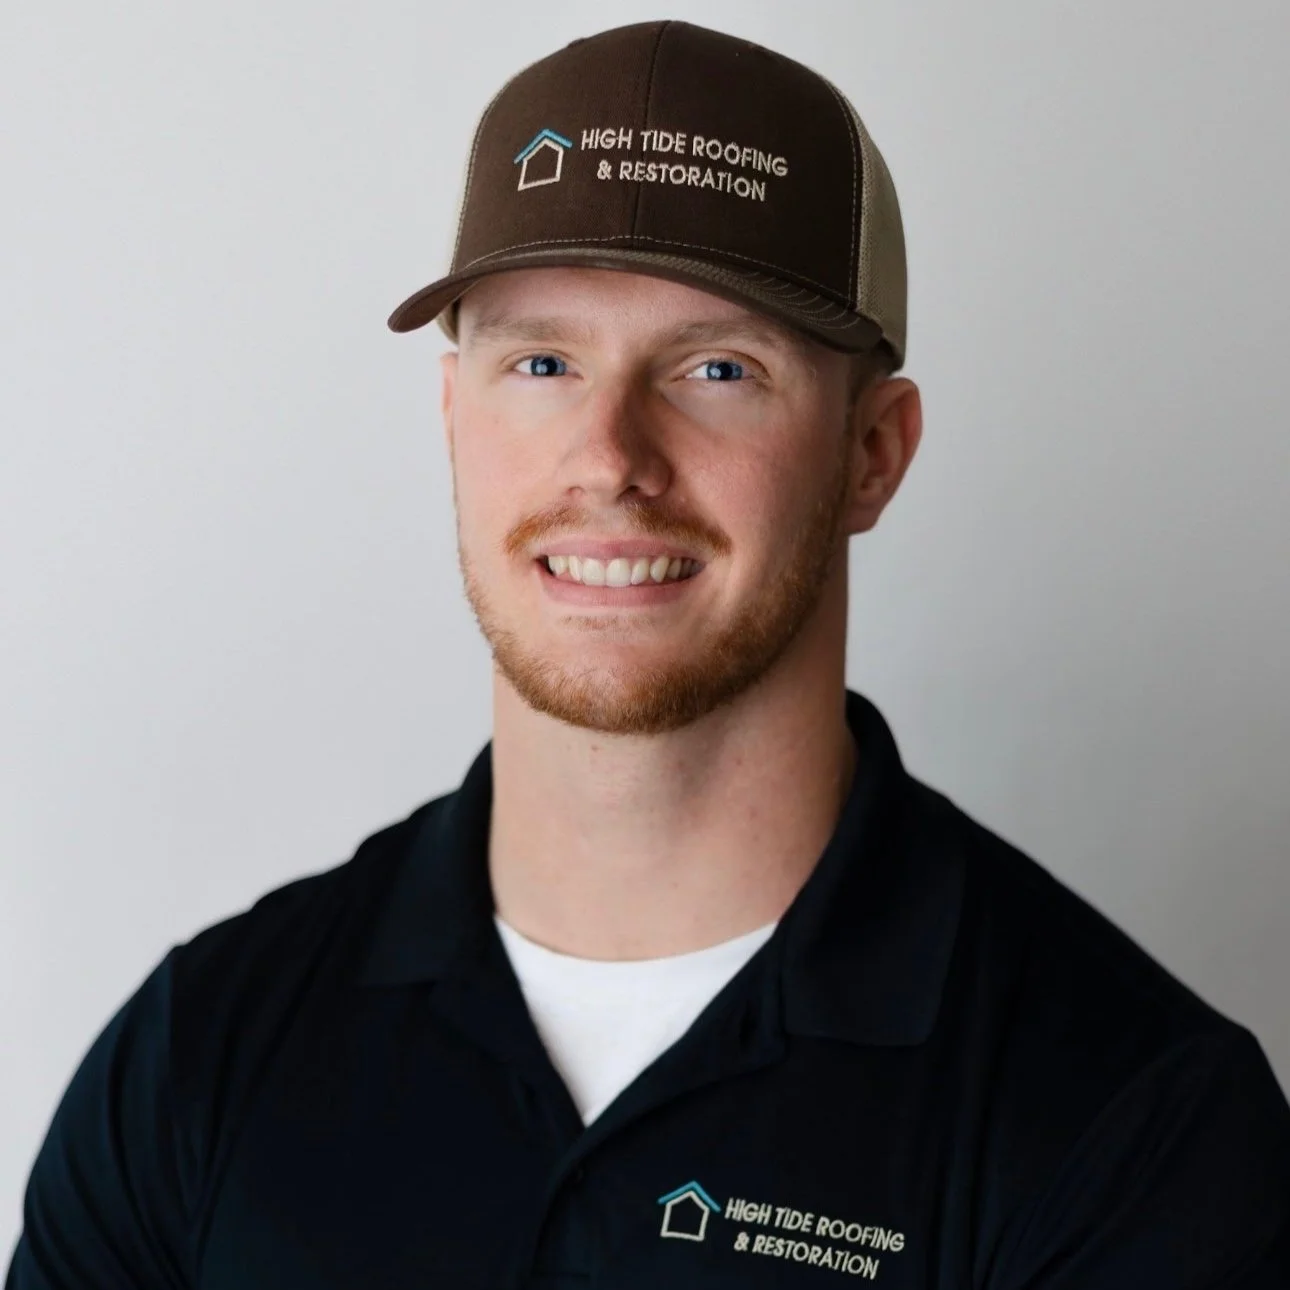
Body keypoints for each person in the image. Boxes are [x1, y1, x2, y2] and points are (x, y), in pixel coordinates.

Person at [7, 18, 1290, 1289]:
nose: (610, 458)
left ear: (872, 454)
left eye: (718, 367)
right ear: (455, 419)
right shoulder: (198, 1059)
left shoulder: (1131, 1120)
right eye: (545, 361)